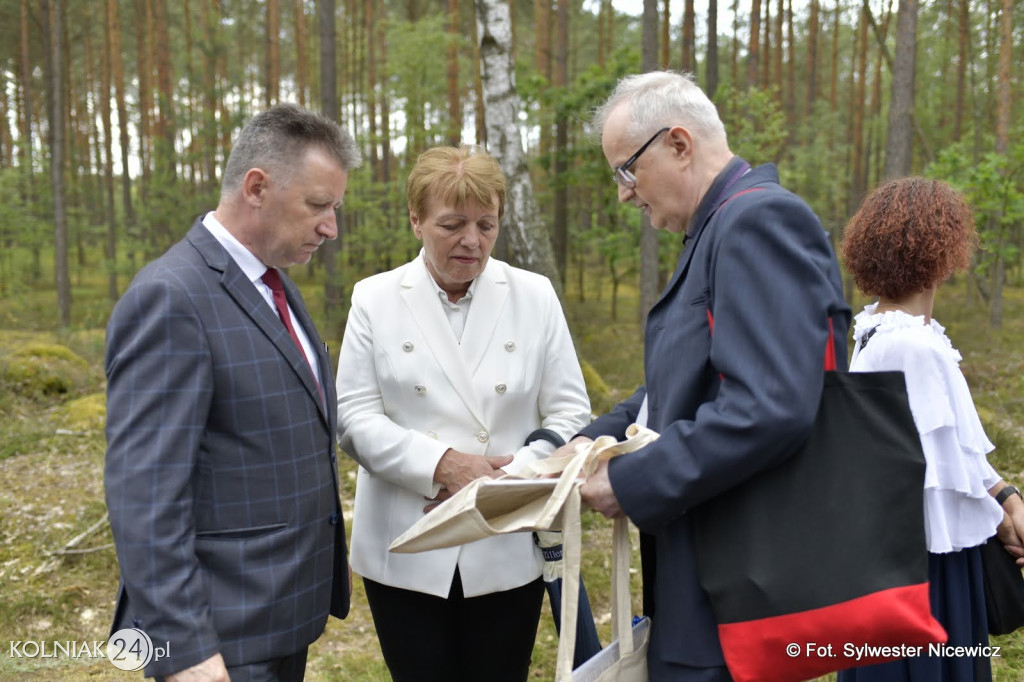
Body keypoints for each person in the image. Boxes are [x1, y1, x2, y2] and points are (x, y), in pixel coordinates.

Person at [552, 70, 851, 680]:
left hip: (741, 577)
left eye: (626, 171)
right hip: (707, 566)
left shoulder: (758, 223)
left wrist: (633, 480)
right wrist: (591, 439)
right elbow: (686, 383)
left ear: (679, 145)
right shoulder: (716, 229)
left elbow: (769, 406)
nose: (624, 194)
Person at [104, 103, 361, 682]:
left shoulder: (275, 285)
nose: (331, 228)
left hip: (279, 614)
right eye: (318, 206)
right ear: (257, 188)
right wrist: (183, 647)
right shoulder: (171, 298)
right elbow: (144, 495)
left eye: (335, 208)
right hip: (219, 635)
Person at [334, 144, 591, 682]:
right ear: (416, 219)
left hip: (505, 536)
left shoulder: (534, 296)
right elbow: (354, 417)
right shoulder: (375, 299)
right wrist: (443, 463)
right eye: (451, 224)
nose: (471, 241)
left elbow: (570, 409)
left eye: (486, 224)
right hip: (405, 541)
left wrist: (511, 478)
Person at [837, 176, 1024, 682]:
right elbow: (932, 478)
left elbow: (949, 449)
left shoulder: (878, 328)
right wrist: (1002, 516)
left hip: (903, 561)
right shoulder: (912, 347)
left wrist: (1004, 495)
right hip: (923, 570)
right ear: (943, 252)